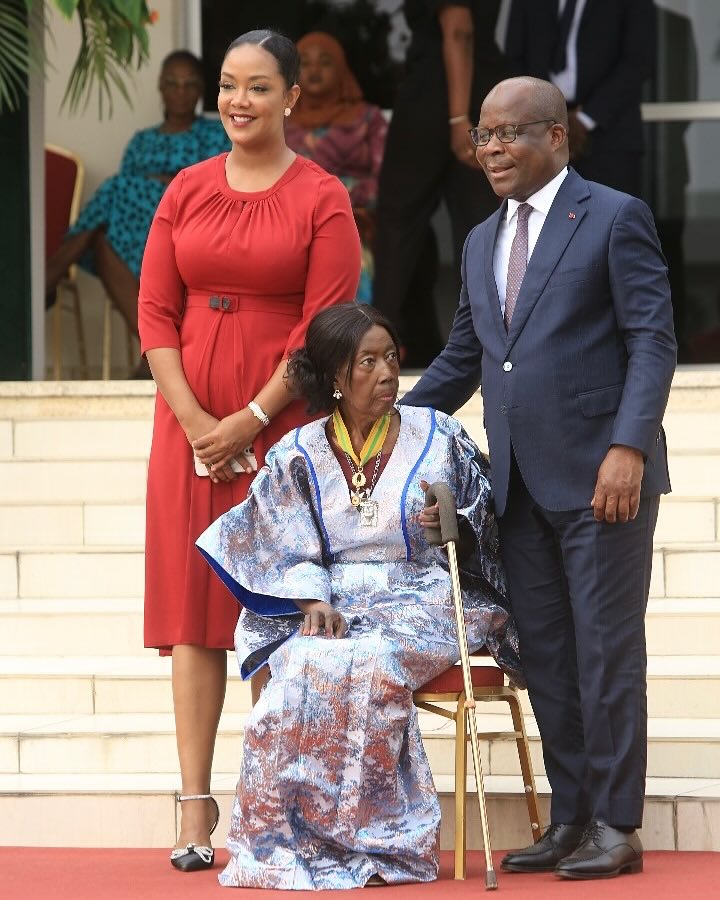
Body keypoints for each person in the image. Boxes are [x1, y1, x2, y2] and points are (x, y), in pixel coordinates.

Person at [402, 77, 676, 879]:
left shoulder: (614, 216)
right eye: (484, 136)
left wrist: (629, 447)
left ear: (556, 137)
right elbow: (467, 355)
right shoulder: (482, 239)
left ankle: (617, 825)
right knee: (549, 658)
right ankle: (571, 818)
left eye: (509, 134)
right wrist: (389, 426)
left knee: (606, 654)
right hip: (518, 485)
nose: (491, 149)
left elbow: (652, 341)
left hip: (604, 482)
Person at [195, 302, 522, 890]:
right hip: (334, 595)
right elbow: (284, 538)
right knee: (298, 663)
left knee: (367, 661)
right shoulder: (299, 452)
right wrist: (308, 600)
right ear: (334, 379)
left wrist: (454, 520)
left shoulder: (438, 433)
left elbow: (486, 519)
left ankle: (383, 840)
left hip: (423, 593)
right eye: (366, 362)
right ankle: (289, 839)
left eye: (391, 357)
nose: (386, 373)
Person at [137, 30, 361, 872]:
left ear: (292, 99)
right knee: (192, 618)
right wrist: (197, 421)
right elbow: (156, 311)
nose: (238, 101)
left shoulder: (322, 196)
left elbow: (326, 326)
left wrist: (250, 419)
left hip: (278, 425)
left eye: (258, 88)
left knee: (269, 610)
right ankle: (195, 811)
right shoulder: (186, 188)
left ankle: (266, 805)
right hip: (185, 425)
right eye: (229, 86)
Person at [46, 50, 229, 352]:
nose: (180, 91)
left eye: (189, 83)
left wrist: (167, 185)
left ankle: (53, 271)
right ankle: (154, 352)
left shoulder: (214, 134)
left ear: (201, 89)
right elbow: (126, 201)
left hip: (190, 220)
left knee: (115, 188)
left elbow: (218, 182)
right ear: (160, 87)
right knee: (105, 239)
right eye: (172, 83)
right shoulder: (141, 140)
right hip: (138, 230)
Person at [372, 1, 509, 366]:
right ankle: (495, 348)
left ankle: (375, 349)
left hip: (440, 98)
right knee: (482, 224)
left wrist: (457, 116)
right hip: (473, 93)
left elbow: (458, 29)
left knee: (398, 221)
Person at [504, 0, 656, 199]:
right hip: (540, 135)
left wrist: (584, 120)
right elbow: (513, 58)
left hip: (610, 135)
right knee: (544, 226)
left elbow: (639, 61)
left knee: (612, 224)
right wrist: (546, 117)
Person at [285, 31, 389, 302]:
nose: (314, 70)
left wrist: (328, 197)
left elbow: (387, 182)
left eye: (325, 62)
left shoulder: (368, 119)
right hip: (287, 226)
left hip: (355, 223)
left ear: (341, 68)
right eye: (305, 63)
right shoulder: (279, 120)